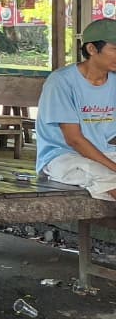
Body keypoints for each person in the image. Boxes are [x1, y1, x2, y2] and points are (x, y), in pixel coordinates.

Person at [35, 18, 116, 201]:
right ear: (92, 49)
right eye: (115, 49)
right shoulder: (61, 82)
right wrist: (113, 167)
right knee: (107, 177)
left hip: (105, 152)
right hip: (63, 156)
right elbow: (74, 140)